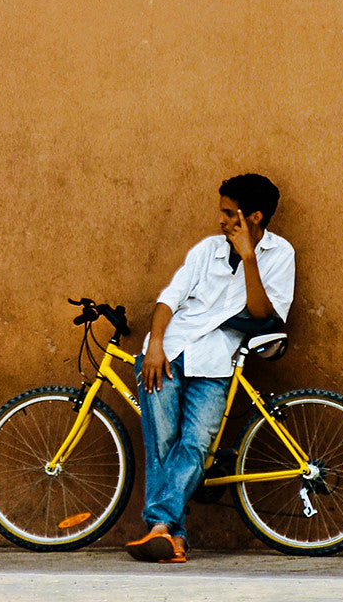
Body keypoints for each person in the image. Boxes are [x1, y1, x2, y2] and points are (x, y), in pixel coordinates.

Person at [125, 173, 295, 564]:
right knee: (162, 442)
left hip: (218, 361)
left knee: (197, 444)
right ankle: (170, 535)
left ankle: (162, 527)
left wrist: (249, 256)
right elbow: (169, 300)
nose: (220, 220)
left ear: (254, 216)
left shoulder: (280, 255)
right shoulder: (206, 251)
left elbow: (264, 313)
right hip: (169, 351)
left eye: (228, 212)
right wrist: (153, 346)